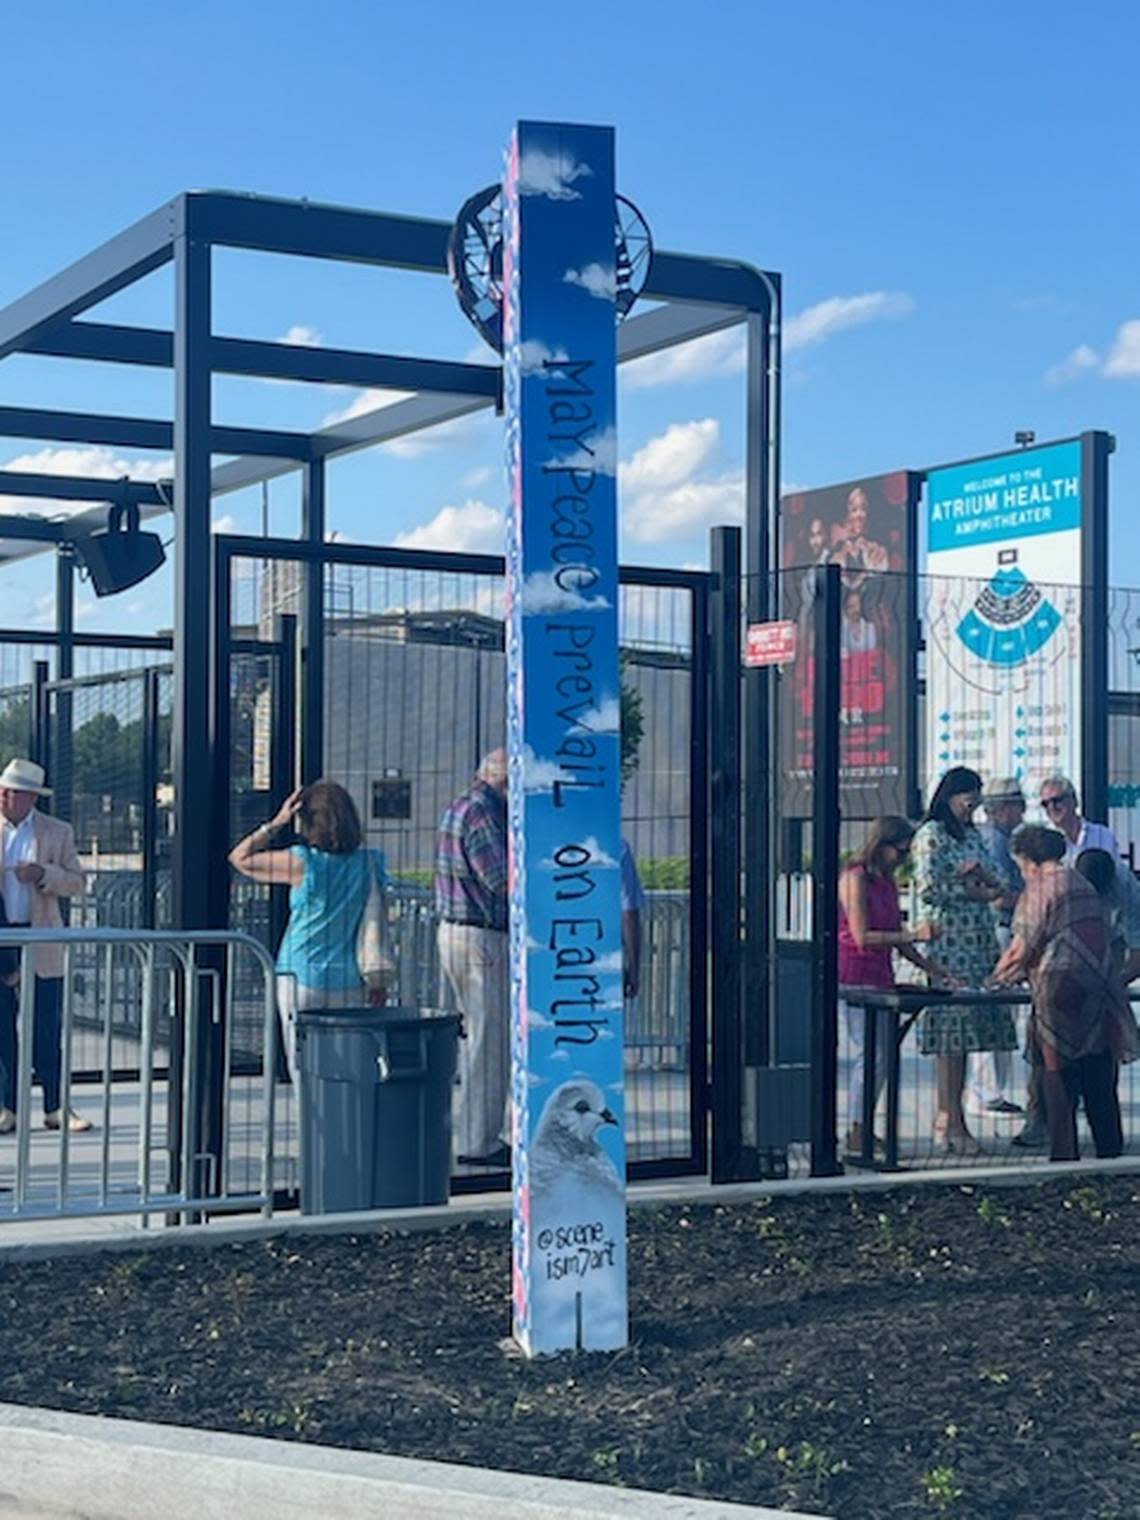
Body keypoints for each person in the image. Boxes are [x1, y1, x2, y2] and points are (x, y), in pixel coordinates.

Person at [228, 779, 393, 1087]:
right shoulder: (371, 863)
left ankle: (310, 1127)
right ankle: (343, 1126)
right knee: (348, 1067)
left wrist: (276, 822)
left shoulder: (303, 862)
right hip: (350, 979)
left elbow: (240, 858)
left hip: (299, 974)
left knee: (302, 1066)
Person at [992, 825, 1137, 1161]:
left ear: (1028, 860)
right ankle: (1109, 1151)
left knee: (1057, 1077)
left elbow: (1020, 950)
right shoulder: (1082, 883)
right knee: (1099, 1075)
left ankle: (1064, 1156)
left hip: (1059, 994)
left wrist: (992, 981)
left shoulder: (1041, 888)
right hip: (1100, 988)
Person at [912, 767, 1016, 1154]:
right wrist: (968, 889)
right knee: (951, 1034)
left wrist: (980, 878)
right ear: (948, 796)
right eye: (965, 794)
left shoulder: (973, 834)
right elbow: (927, 889)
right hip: (947, 943)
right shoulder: (931, 834)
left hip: (978, 942)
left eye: (976, 794)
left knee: (971, 1032)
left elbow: (999, 886)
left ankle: (953, 1117)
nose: (971, 802)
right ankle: (950, 1118)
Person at [838, 815, 948, 1155]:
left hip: (880, 975)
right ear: (882, 845)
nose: (902, 859)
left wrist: (934, 968)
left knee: (881, 1055)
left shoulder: (884, 881)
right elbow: (862, 936)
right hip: (855, 973)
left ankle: (863, 1124)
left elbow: (900, 942)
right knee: (871, 1054)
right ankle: (857, 1126)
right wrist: (913, 933)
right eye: (899, 852)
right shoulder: (855, 879)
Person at [0, 759, 91, 1136]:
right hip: (2, 936)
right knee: (2, 1028)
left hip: (40, 937)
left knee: (46, 1026)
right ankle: (7, 1107)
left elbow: (77, 882)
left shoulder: (57, 832)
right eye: (2, 789)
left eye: (12, 791)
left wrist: (42, 875)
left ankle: (55, 1105)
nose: (4, 797)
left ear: (30, 797)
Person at [435, 749, 510, 1169]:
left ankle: (477, 1133)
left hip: (459, 933)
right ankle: (480, 1141)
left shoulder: (460, 806)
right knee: (489, 1040)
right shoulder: (484, 813)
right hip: (481, 938)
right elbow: (500, 878)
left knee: (479, 1037)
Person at [969, 777, 1027, 1118]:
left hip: (1002, 931)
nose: (1022, 810)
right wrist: (1038, 897)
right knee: (998, 1009)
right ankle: (986, 1091)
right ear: (1002, 809)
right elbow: (1001, 895)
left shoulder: (998, 840)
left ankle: (990, 1089)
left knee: (1003, 1010)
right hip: (1001, 930)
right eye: (1017, 804)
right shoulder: (996, 842)